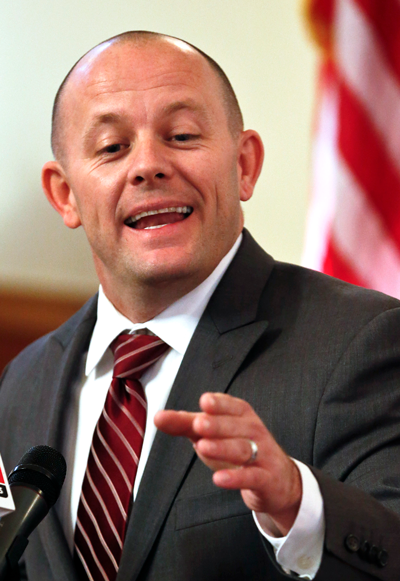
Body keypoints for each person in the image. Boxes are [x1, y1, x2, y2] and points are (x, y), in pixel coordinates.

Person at [0, 30, 400, 581]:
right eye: (113, 148)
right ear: (65, 194)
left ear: (244, 166)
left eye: (182, 135)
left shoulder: (360, 341)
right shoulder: (23, 380)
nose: (148, 166)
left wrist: (297, 506)